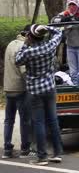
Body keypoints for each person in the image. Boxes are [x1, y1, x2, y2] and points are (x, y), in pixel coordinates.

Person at [15, 25, 64, 165]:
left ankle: (42, 156)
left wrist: (25, 44)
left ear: (31, 37)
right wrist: (47, 28)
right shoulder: (50, 46)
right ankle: (57, 153)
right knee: (53, 120)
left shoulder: (29, 52)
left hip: (35, 91)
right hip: (50, 88)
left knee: (39, 122)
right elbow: (59, 32)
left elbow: (17, 60)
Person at [3, 25, 33, 158]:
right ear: (27, 35)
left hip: (8, 87)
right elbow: (23, 71)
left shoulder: (10, 44)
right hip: (20, 88)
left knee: (9, 120)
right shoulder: (23, 47)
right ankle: (25, 148)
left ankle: (7, 149)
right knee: (25, 119)